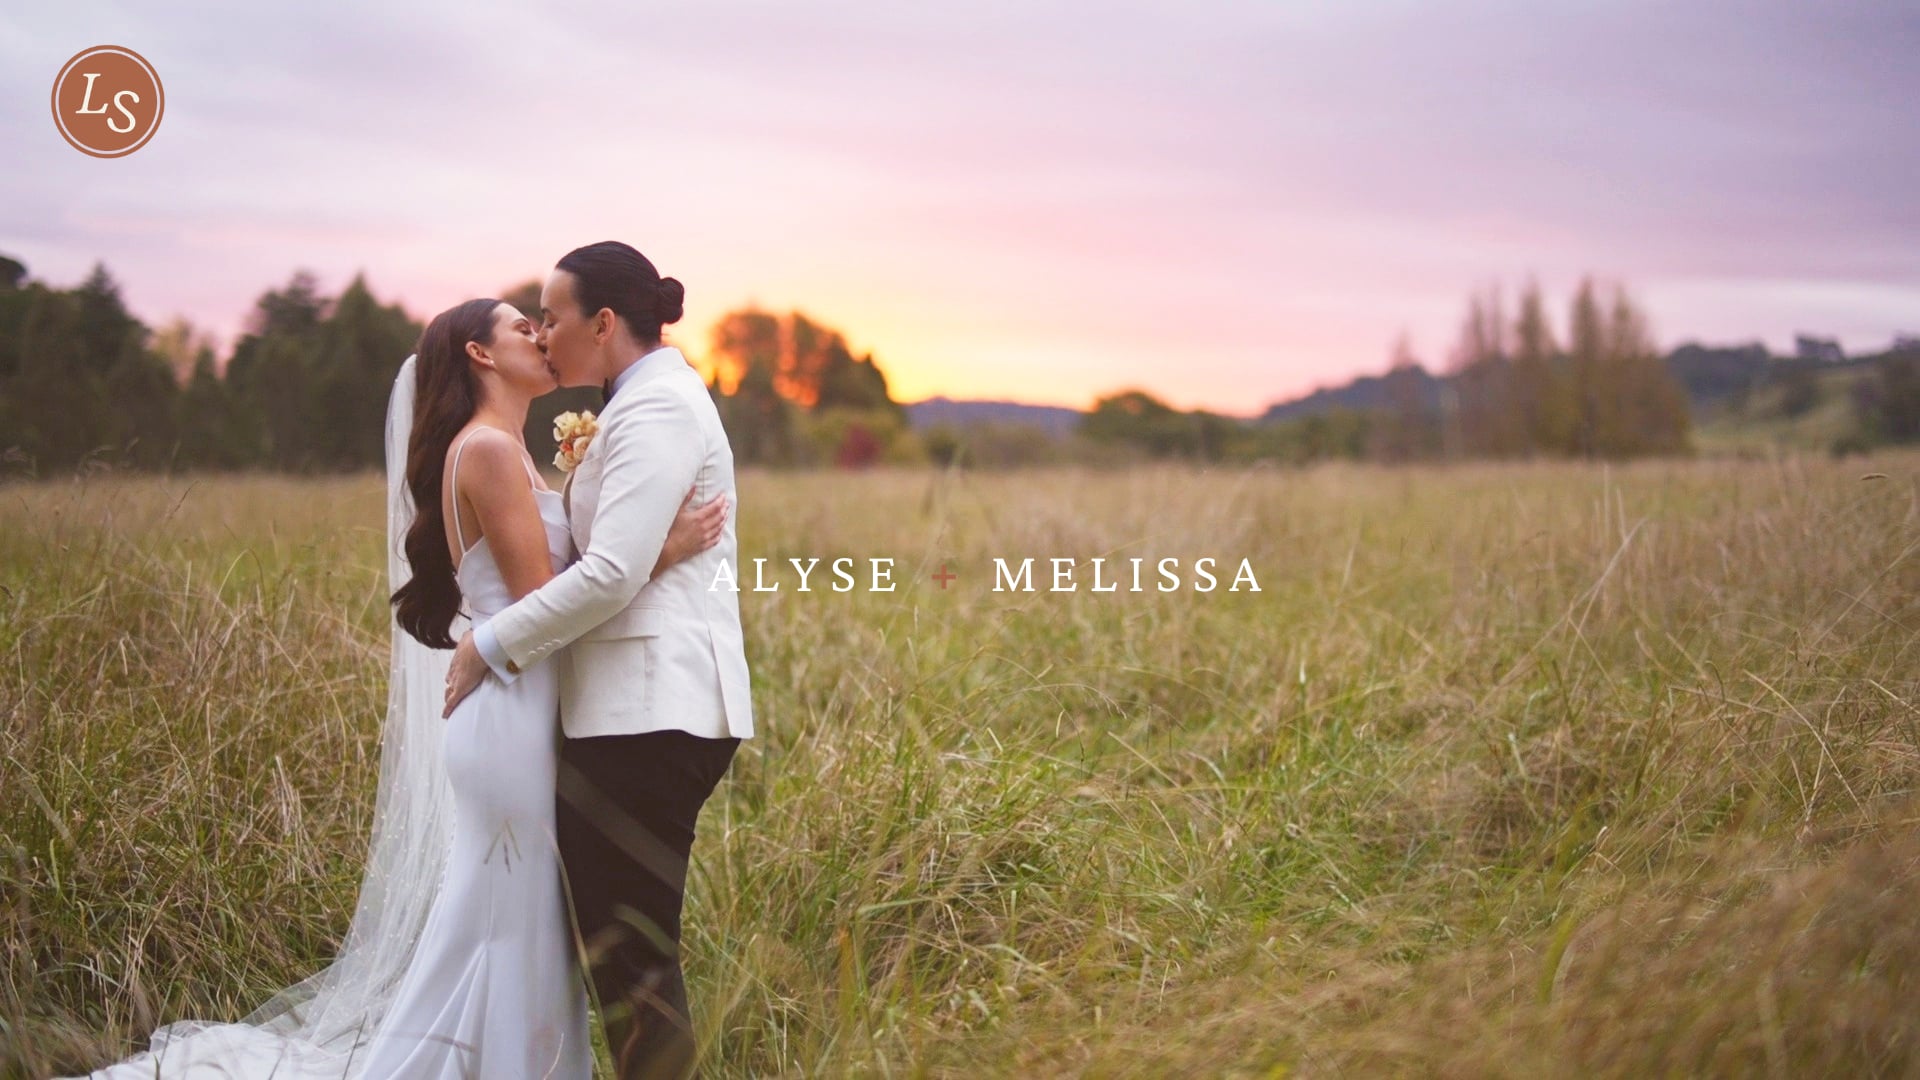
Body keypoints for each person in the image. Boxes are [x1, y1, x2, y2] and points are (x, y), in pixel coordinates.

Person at [75, 297, 727, 1079]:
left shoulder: (507, 452)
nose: (542, 337)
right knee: (513, 923)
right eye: (524, 326)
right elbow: (539, 599)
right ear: (481, 355)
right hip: (511, 718)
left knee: (512, 920)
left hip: (522, 703)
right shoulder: (484, 450)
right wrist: (663, 547)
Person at [444, 241, 755, 1080]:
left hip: (646, 713)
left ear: (605, 321)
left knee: (633, 966)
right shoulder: (637, 406)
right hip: (626, 710)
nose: (543, 334)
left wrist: (489, 644)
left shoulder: (657, 410)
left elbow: (612, 570)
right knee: (620, 961)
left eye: (552, 316)